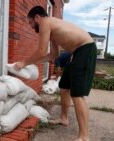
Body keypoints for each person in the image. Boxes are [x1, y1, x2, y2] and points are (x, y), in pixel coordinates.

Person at [14, 6, 97, 141]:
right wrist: (35, 62)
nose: (30, 26)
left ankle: (84, 136)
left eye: (30, 22)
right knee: (64, 87)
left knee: (77, 94)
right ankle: (64, 118)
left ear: (37, 18)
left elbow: (40, 51)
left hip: (85, 50)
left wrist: (24, 63)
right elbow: (54, 54)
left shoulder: (45, 23)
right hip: (76, 53)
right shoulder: (51, 29)